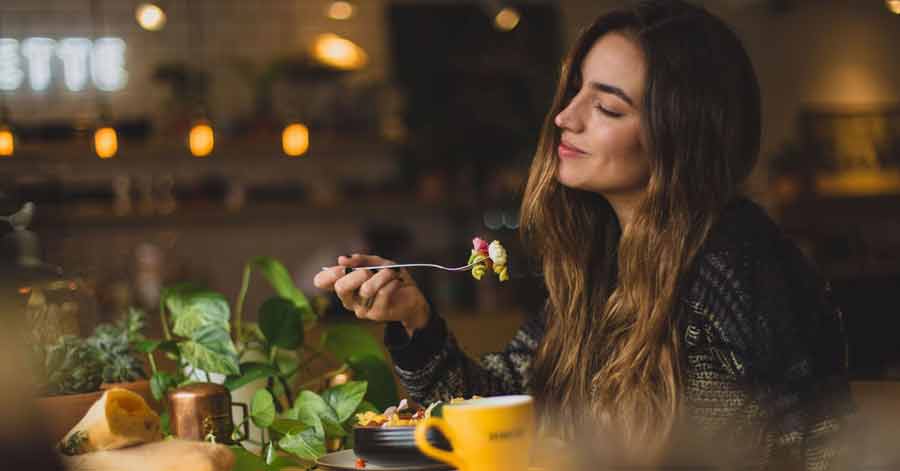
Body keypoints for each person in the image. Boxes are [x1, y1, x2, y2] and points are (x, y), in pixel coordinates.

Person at [313, 0, 854, 468]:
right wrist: (415, 319)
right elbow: (501, 408)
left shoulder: (730, 271)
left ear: (681, 136)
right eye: (575, 92)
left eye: (607, 107)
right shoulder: (606, 261)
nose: (565, 118)